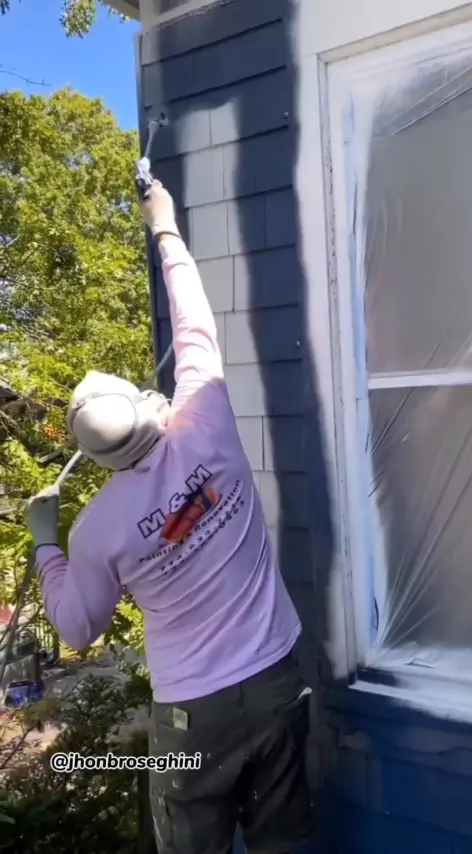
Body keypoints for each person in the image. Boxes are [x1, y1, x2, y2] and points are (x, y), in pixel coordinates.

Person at [26, 181, 314, 854]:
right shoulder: (205, 419)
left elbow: (79, 628)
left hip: (193, 717)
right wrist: (165, 225)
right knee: (282, 843)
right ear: (143, 406)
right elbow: (194, 326)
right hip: (276, 680)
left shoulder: (96, 529)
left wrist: (46, 543)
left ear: (95, 457)